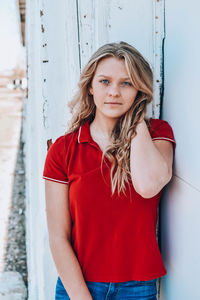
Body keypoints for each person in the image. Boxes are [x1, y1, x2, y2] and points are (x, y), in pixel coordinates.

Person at [43, 41, 176, 300]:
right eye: (105, 81)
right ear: (90, 87)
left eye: (126, 83)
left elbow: (148, 186)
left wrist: (136, 119)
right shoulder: (63, 149)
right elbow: (58, 237)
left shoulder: (157, 134)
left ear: (139, 89)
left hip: (137, 288)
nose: (114, 92)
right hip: (77, 285)